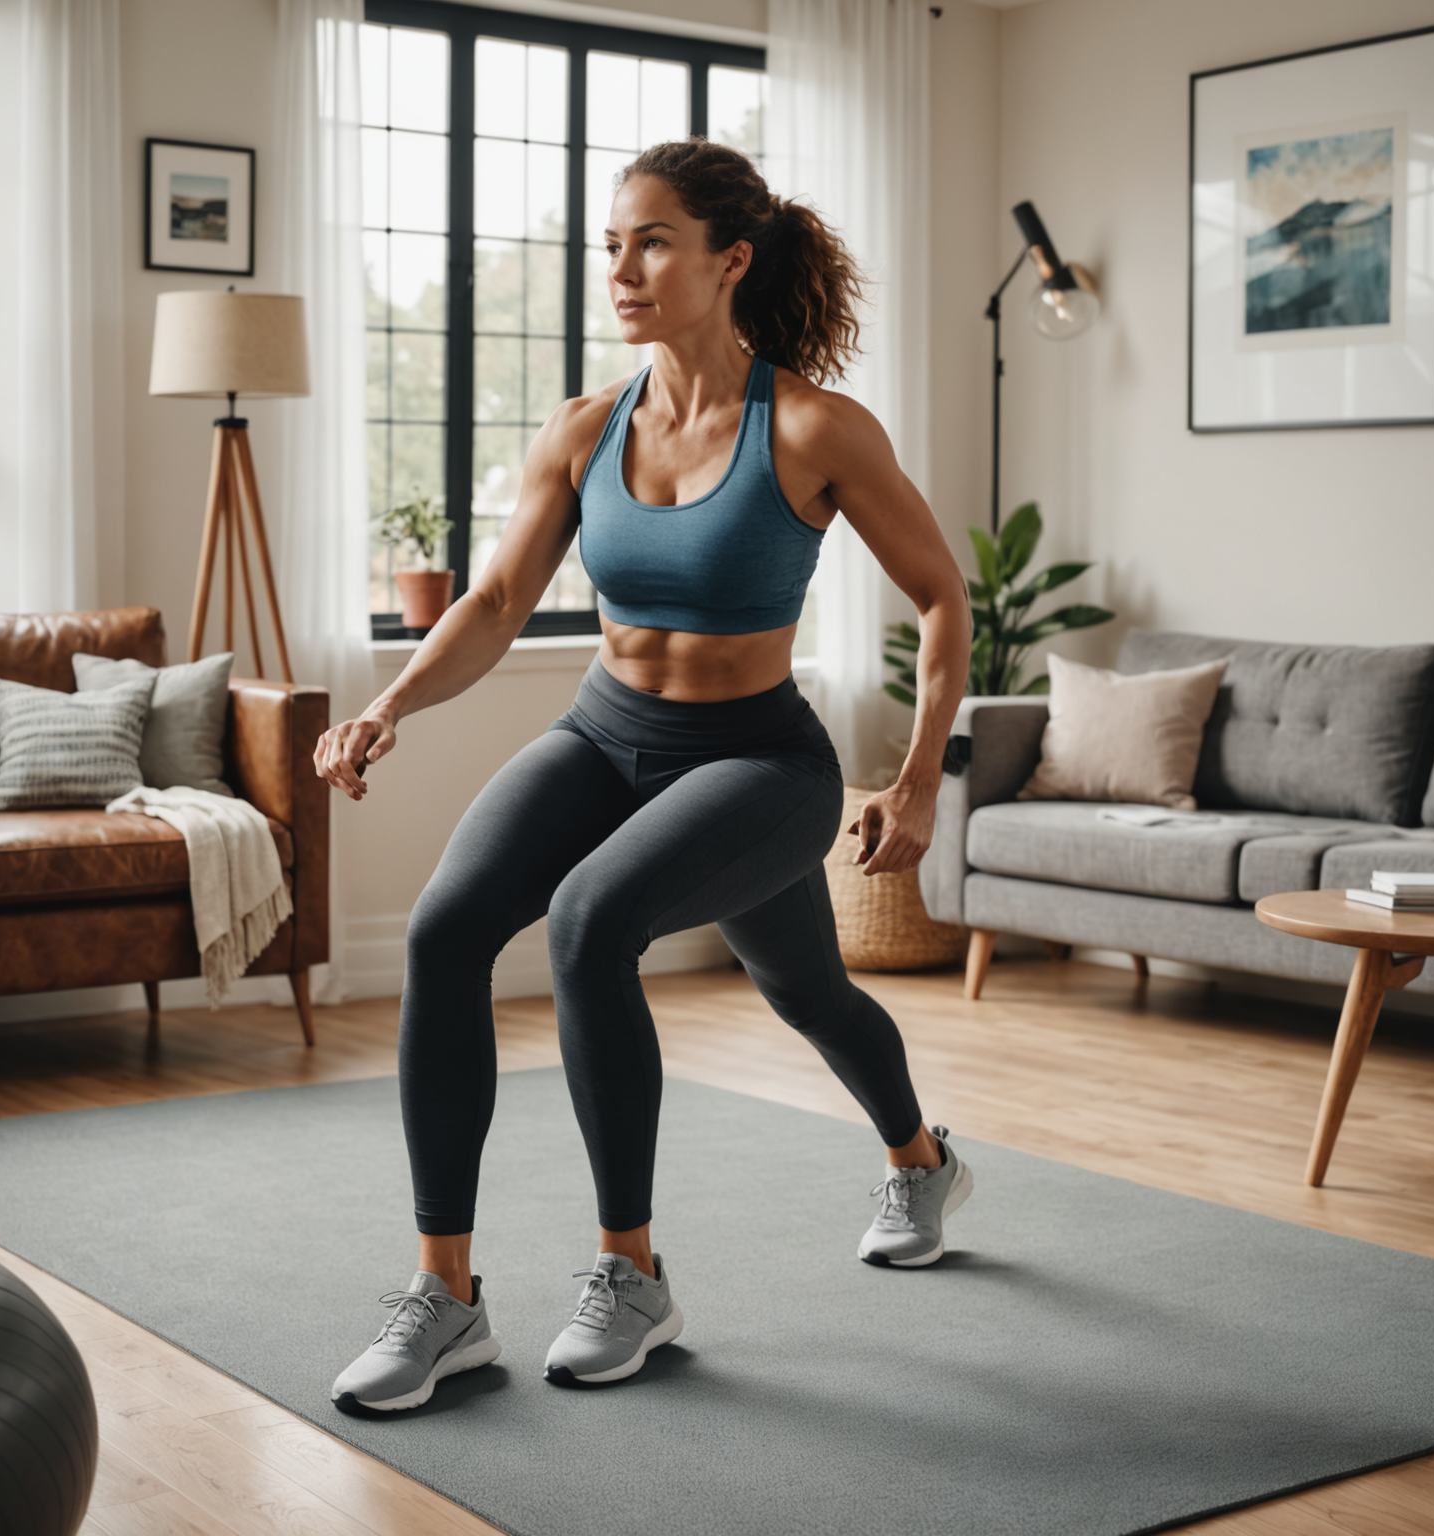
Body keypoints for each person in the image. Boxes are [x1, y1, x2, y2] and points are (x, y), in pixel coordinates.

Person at [316, 138, 973, 1414]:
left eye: (652, 242)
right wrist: (387, 704)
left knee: (611, 928)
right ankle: (447, 1298)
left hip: (759, 763)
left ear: (731, 260)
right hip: (604, 739)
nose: (620, 269)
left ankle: (638, 1275)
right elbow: (496, 602)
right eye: (611, 245)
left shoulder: (814, 426)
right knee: (453, 932)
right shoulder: (584, 429)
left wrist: (917, 781)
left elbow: (942, 594)